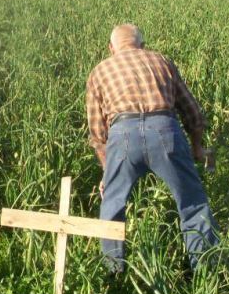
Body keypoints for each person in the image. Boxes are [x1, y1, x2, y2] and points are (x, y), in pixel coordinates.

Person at [85, 24, 220, 273]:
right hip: (165, 131)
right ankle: (206, 275)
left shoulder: (100, 70)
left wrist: (107, 172)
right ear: (142, 45)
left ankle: (113, 274)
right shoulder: (161, 61)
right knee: (193, 203)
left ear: (111, 48)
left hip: (122, 134)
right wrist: (197, 146)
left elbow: (97, 133)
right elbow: (191, 110)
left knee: (113, 206)